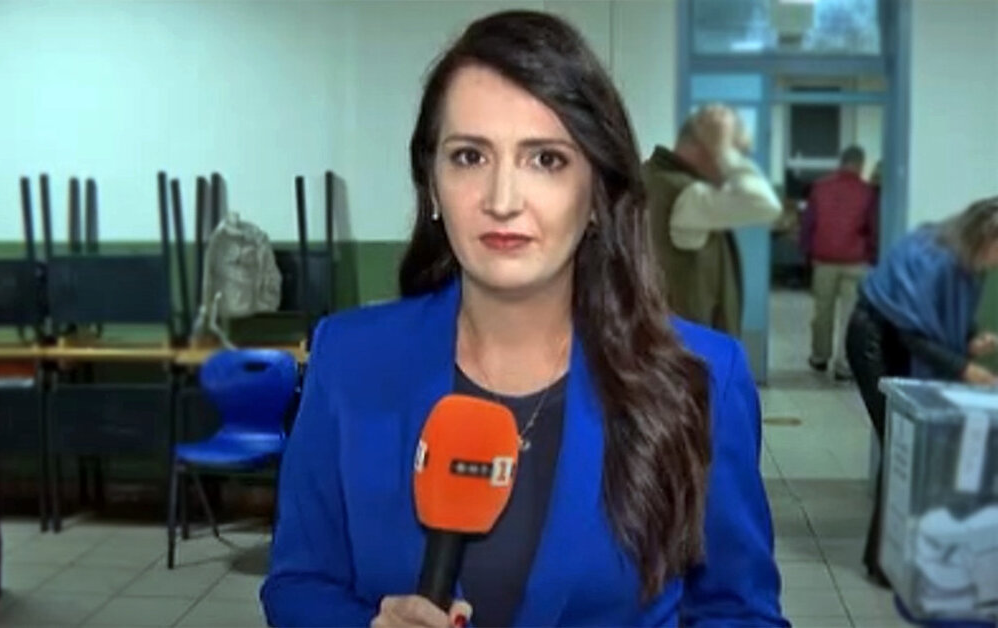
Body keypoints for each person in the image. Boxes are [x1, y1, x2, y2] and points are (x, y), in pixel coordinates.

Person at [261, 11, 786, 628]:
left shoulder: (701, 378)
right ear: (432, 184)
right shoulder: (349, 360)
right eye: (469, 156)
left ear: (597, 193)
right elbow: (298, 585)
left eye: (546, 160)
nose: (503, 200)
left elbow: (739, 612)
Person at [846, 196, 998, 586]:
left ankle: (903, 556)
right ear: (986, 237)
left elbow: (942, 317)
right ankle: (884, 562)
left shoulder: (963, 257)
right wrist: (964, 367)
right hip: (875, 341)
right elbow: (913, 333)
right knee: (903, 440)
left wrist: (968, 341)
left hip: (898, 337)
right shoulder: (937, 260)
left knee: (911, 443)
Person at [642, 105, 782, 337]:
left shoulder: (653, 177)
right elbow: (765, 204)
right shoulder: (687, 194)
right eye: (735, 153)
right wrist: (724, 151)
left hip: (661, 335)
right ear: (701, 146)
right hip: (690, 345)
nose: (733, 165)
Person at [801, 145, 878, 380]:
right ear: (861, 164)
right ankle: (844, 365)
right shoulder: (868, 192)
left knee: (822, 312)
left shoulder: (820, 188)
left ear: (841, 162)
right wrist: (873, 256)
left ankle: (819, 357)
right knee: (849, 316)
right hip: (856, 261)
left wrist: (807, 255)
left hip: (824, 260)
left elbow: (808, 225)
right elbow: (873, 228)